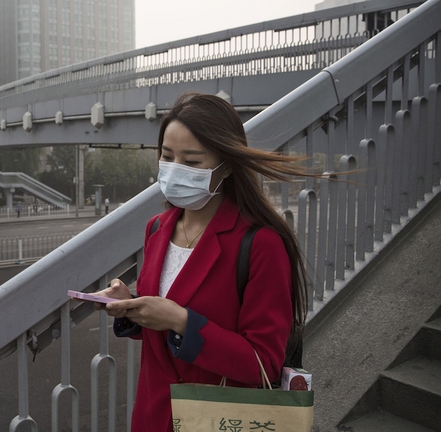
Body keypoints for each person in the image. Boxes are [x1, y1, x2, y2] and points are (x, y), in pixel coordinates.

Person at [92, 93, 310, 432]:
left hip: (219, 419)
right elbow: (163, 331)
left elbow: (264, 363)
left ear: (227, 165)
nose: (175, 169)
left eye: (191, 162)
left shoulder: (261, 243)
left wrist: (181, 321)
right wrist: (131, 307)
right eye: (167, 157)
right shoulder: (156, 228)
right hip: (153, 415)